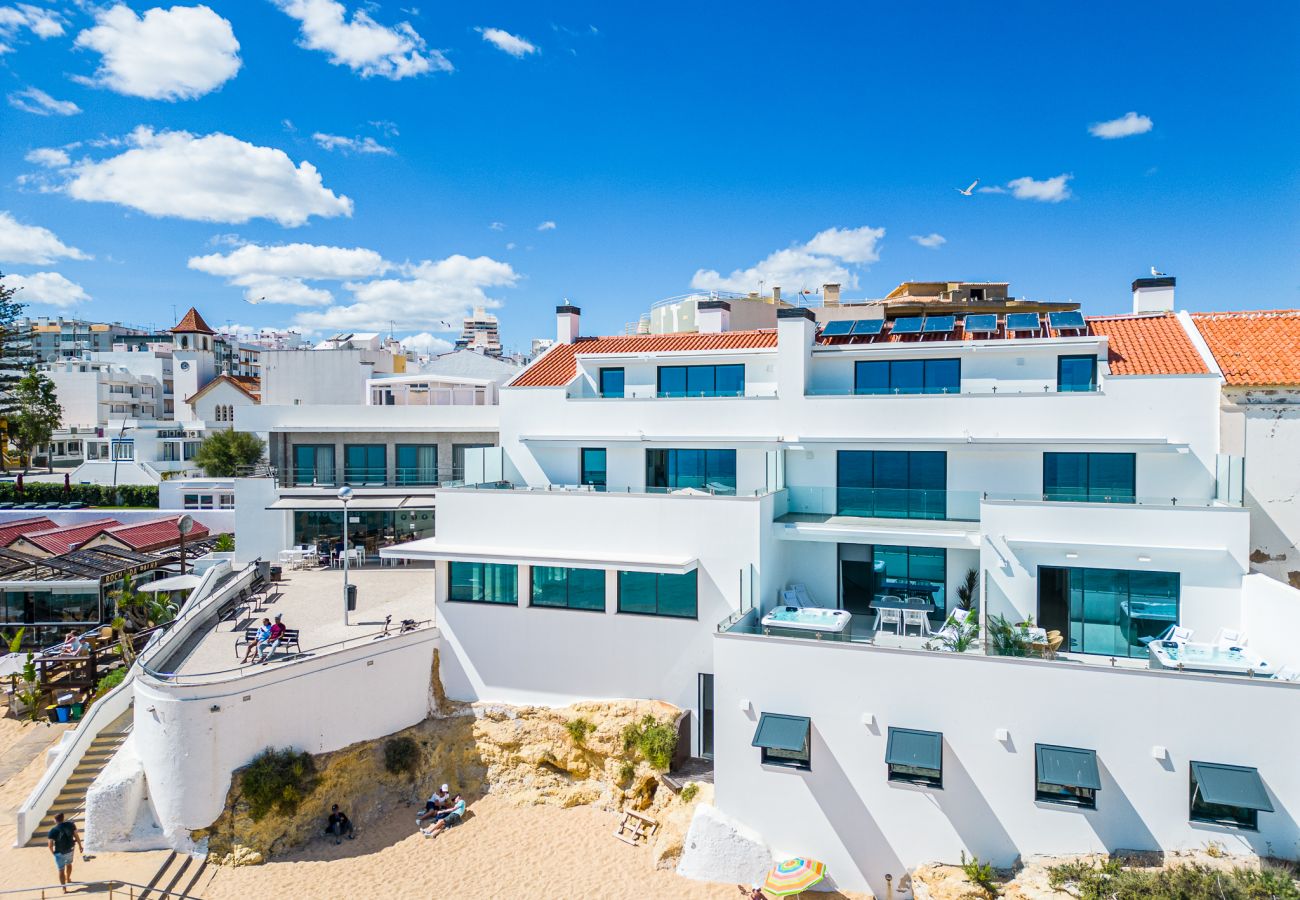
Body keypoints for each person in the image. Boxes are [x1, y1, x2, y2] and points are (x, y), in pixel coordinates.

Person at [47, 812, 82, 893]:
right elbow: (76, 836)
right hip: (70, 849)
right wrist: (80, 845)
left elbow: (50, 845)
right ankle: (68, 878)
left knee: (61, 870)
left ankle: (64, 888)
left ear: (55, 820)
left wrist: (53, 853)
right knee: (69, 864)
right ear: (63, 818)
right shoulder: (71, 825)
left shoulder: (53, 830)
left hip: (59, 852)